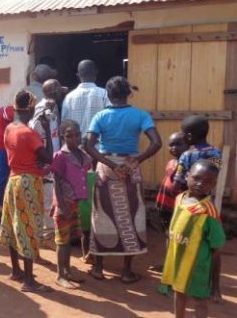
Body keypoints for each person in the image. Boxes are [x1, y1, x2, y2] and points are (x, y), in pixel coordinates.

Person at [84, 76, 162, 283]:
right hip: (131, 169)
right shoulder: (140, 115)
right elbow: (156, 143)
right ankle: (126, 272)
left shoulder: (100, 116)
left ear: (108, 95)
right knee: (132, 216)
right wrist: (136, 160)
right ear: (129, 93)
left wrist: (110, 164)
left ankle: (99, 268)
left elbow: (88, 145)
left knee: (101, 215)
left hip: (106, 169)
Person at [0, 90, 52, 293]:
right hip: (28, 182)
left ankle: (16, 271)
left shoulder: (9, 128)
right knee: (29, 227)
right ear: (30, 108)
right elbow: (49, 158)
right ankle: (29, 281)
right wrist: (45, 129)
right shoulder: (29, 134)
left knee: (13, 225)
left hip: (13, 181)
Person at [61, 59, 110, 264]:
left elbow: (64, 126)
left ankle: (76, 237)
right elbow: (108, 123)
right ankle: (93, 242)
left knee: (75, 197)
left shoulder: (69, 97)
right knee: (95, 200)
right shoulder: (104, 94)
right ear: (96, 73)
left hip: (74, 155)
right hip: (97, 155)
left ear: (77, 74)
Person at [161, 160, 225, 318]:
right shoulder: (180, 198)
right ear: (187, 176)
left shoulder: (208, 212)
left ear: (214, 184)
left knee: (199, 300)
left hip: (198, 268)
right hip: (178, 261)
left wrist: (215, 285)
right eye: (196, 178)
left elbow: (217, 248)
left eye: (207, 181)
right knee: (179, 292)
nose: (200, 183)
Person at [171, 115, 223, 302]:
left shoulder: (186, 155)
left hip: (188, 207)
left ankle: (177, 280)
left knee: (181, 240)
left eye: (184, 134)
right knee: (213, 247)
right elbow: (214, 177)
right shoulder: (216, 153)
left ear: (189, 136)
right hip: (209, 206)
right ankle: (215, 288)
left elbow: (177, 183)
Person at [50, 120, 91, 289]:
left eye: (77, 134)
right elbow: (56, 181)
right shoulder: (60, 156)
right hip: (64, 204)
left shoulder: (83, 155)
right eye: (69, 136)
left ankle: (67, 271)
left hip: (76, 203)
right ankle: (60, 275)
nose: (74, 138)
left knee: (69, 239)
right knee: (62, 240)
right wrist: (61, 204)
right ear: (63, 137)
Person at [30, 79, 64, 245]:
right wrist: (50, 161)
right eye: (59, 91)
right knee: (47, 195)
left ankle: (49, 231)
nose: (61, 94)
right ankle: (45, 233)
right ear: (52, 92)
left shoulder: (52, 106)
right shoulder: (43, 110)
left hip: (53, 157)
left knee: (52, 194)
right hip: (46, 160)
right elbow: (38, 135)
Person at [150, 132, 189, 272]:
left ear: (188, 145)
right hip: (164, 205)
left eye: (178, 144)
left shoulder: (190, 164)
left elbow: (217, 162)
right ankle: (168, 263)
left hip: (177, 207)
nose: (174, 147)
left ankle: (177, 266)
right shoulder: (171, 162)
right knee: (168, 235)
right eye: (171, 144)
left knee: (178, 237)